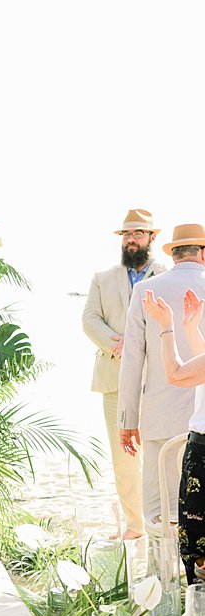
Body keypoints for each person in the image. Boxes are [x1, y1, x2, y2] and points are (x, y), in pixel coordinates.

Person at [83, 209, 168, 539]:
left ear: (151, 237)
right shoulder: (101, 278)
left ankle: (163, 524)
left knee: (160, 454)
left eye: (138, 233)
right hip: (113, 380)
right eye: (126, 234)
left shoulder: (166, 275)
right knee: (124, 458)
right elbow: (89, 319)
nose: (131, 239)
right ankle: (134, 526)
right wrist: (118, 344)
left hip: (158, 382)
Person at [119, 224, 205, 533]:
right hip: (201, 420)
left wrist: (127, 420)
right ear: (202, 253)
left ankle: (160, 577)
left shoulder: (145, 291)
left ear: (175, 254)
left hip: (161, 416)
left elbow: (132, 360)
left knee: (159, 513)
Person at [141, 273, 205, 583]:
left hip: (203, 457)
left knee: (196, 547)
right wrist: (191, 328)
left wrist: (166, 326)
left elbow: (177, 374)